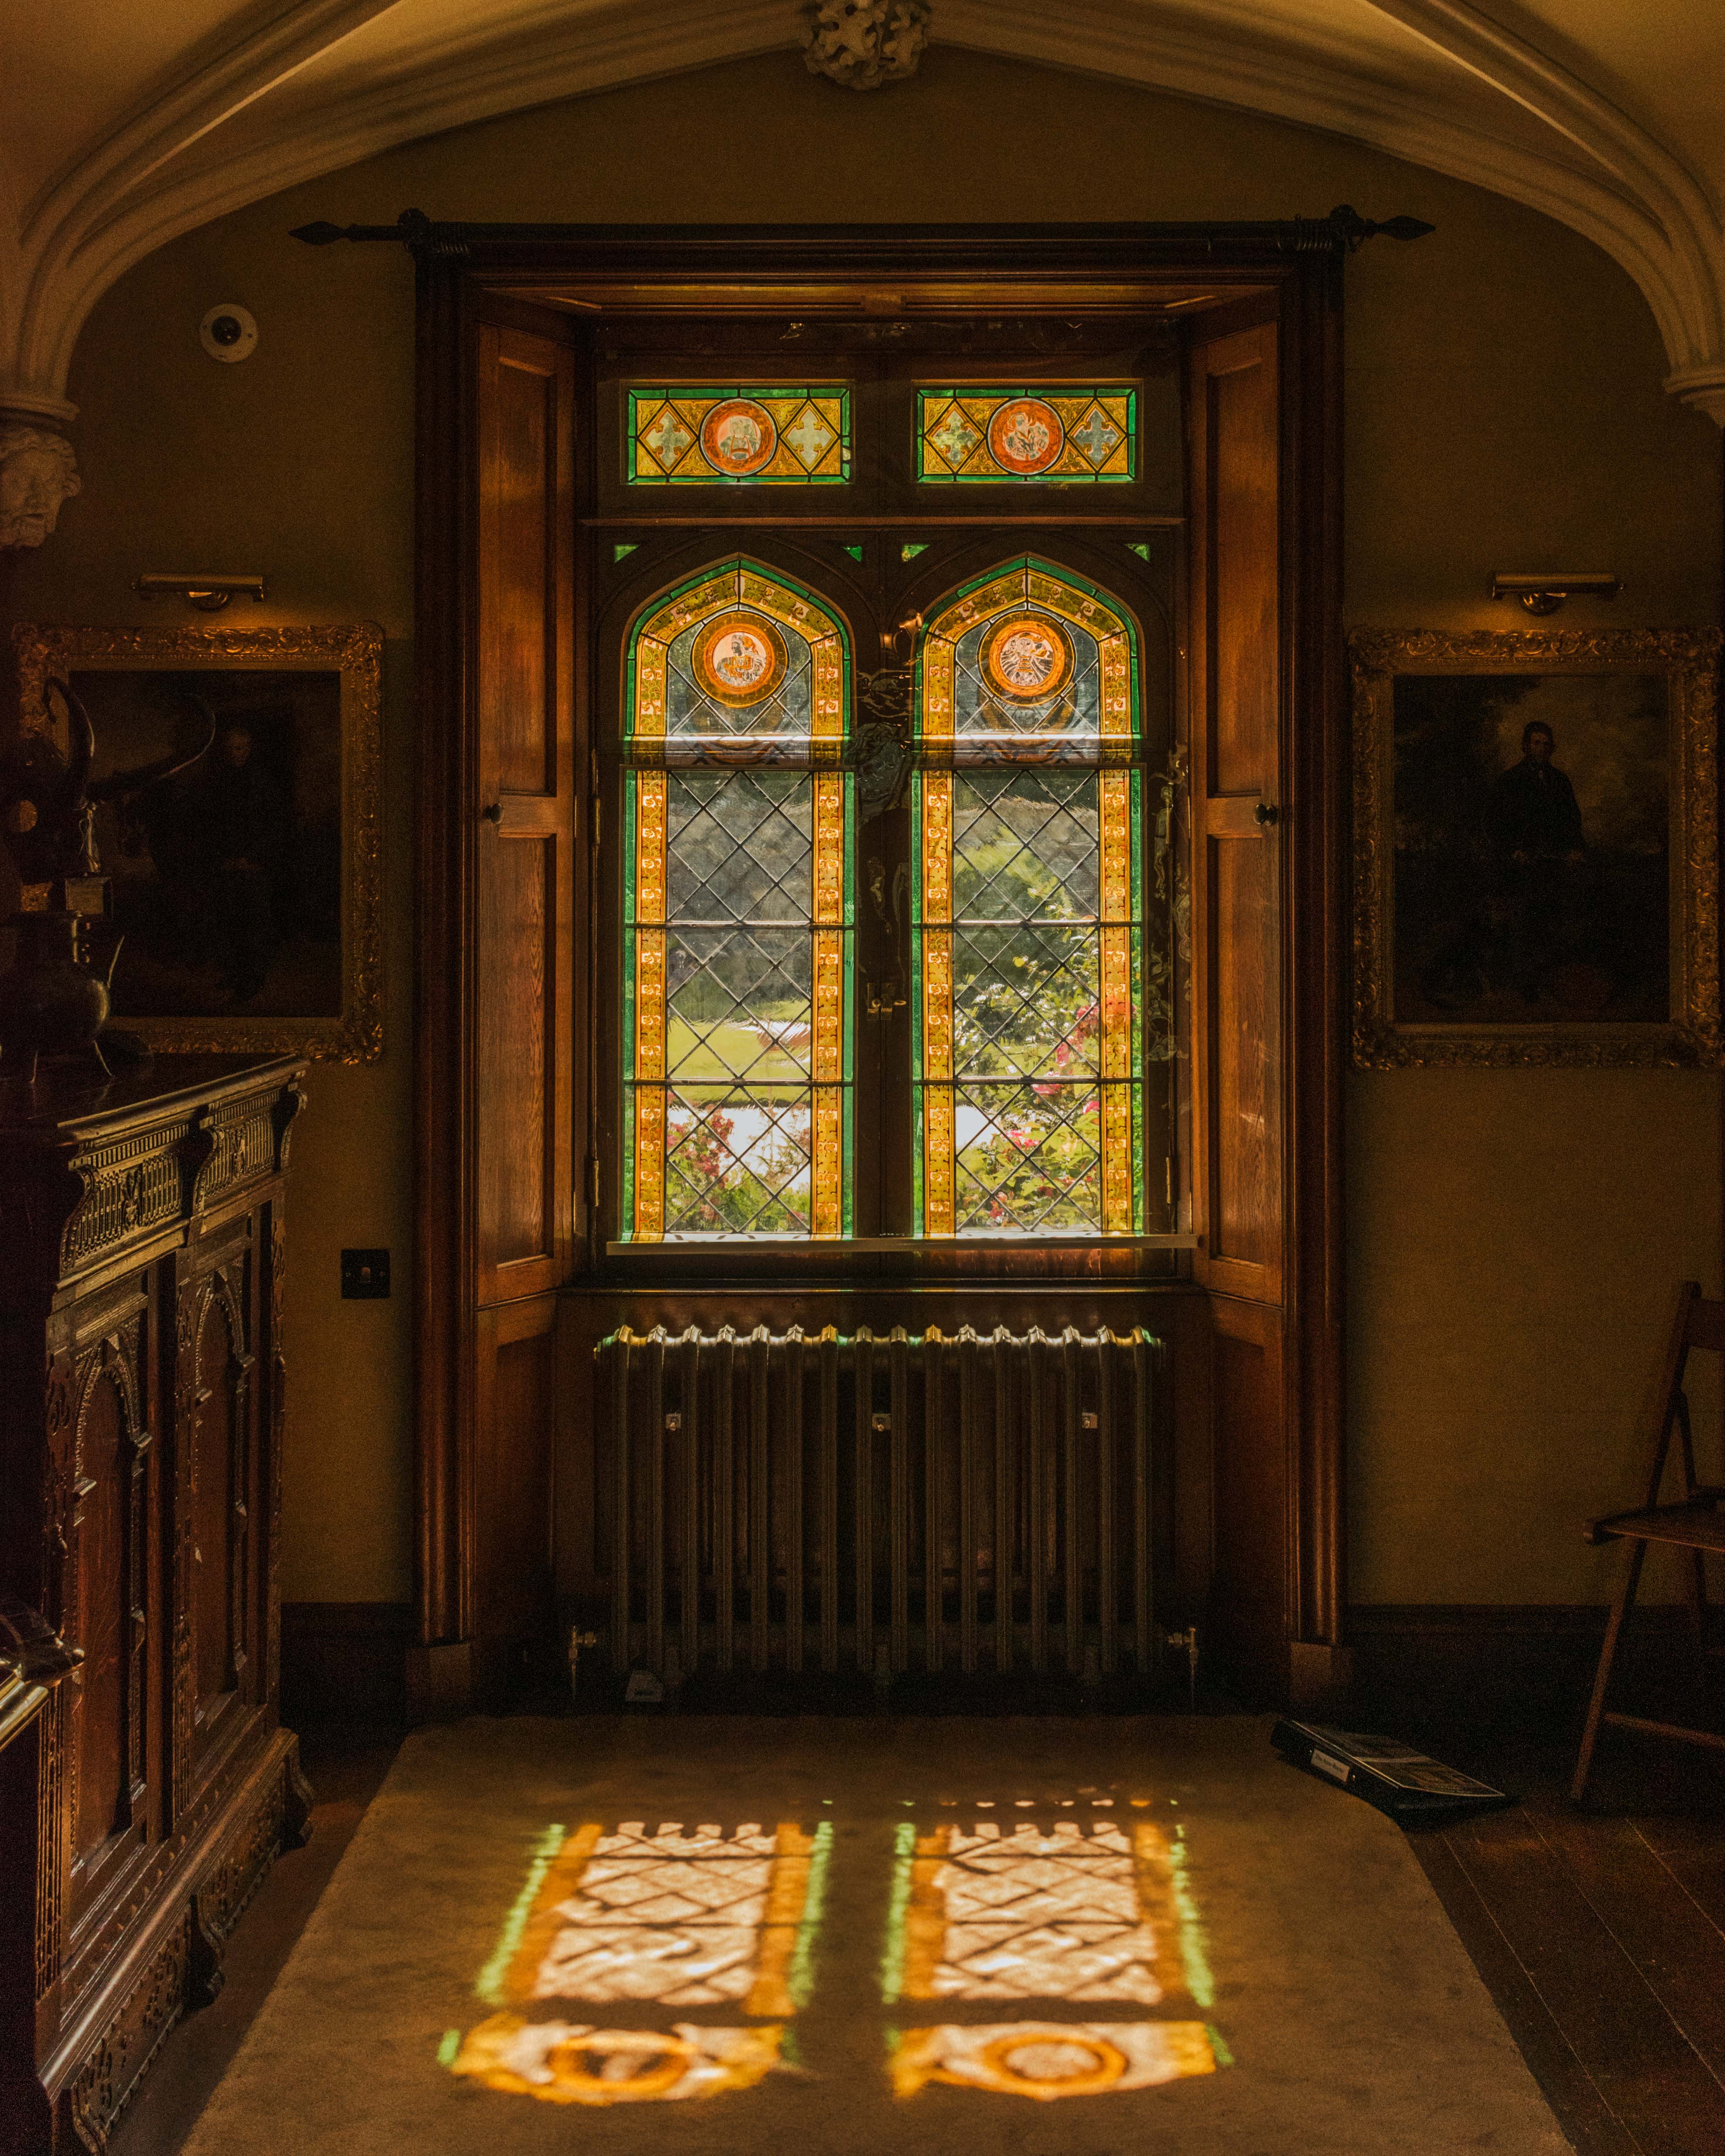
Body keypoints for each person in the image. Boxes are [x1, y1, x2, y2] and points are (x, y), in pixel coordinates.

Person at [1482, 720, 1589, 1004]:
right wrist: (1514, 851)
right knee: (1525, 923)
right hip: (1522, 867)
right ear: (1526, 746)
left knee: (1553, 920)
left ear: (1551, 748)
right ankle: (1525, 983)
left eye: (1546, 744)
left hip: (1553, 864)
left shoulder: (1560, 781)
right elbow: (1496, 825)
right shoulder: (1510, 781)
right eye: (1536, 743)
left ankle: (1550, 979)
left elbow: (1572, 821)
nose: (1541, 749)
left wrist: (1575, 849)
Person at [186, 722, 287, 1002]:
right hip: (224, 865)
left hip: (253, 866)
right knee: (227, 922)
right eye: (231, 749)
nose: (237, 754)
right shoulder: (217, 782)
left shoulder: (263, 782)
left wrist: (252, 859)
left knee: (253, 924)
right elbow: (210, 826)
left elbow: (275, 826)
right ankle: (232, 972)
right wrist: (221, 859)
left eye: (241, 748)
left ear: (250, 748)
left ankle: (252, 979)